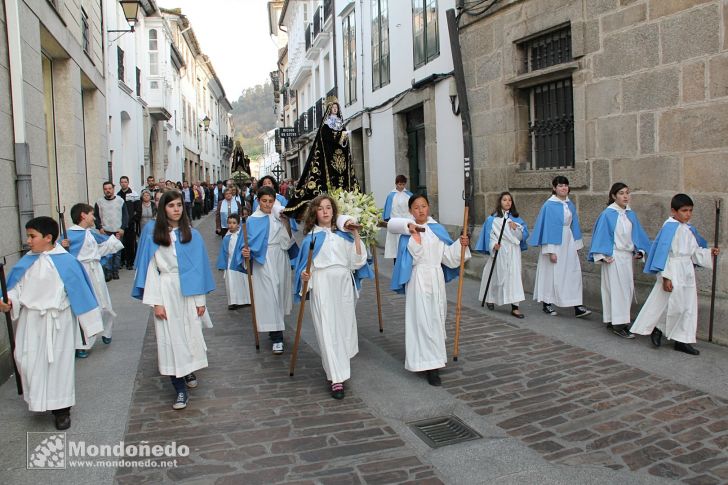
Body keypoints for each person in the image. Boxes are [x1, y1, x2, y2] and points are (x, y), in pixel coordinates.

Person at [0, 216, 102, 430]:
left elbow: (81, 294)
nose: (28, 240)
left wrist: (90, 325)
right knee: (25, 360)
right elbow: (15, 290)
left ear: (48, 238)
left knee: (58, 366)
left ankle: (62, 410)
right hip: (31, 320)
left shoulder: (67, 262)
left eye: (32, 236)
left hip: (59, 322)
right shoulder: (26, 261)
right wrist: (8, 301)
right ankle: (39, 399)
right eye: (28, 236)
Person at [132, 190, 215, 410]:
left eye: (179, 205)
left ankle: (188, 370)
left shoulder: (193, 235)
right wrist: (156, 302)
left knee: (188, 334)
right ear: (163, 209)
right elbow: (152, 270)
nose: (176, 209)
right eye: (171, 206)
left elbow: (198, 269)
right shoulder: (154, 235)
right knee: (170, 339)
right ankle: (179, 389)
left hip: (188, 293)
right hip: (165, 291)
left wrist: (200, 301)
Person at [388, 194, 470, 386]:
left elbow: (448, 258)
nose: (421, 210)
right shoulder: (408, 231)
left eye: (424, 206)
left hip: (435, 278)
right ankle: (427, 366)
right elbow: (411, 256)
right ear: (410, 211)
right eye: (416, 207)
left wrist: (460, 244)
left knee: (436, 319)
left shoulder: (436, 229)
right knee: (422, 321)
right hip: (418, 279)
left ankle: (435, 362)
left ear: (429, 207)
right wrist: (414, 236)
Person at [293, 195, 370, 399]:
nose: (325, 211)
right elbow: (303, 269)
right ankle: (336, 378)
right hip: (322, 286)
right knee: (327, 330)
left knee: (343, 329)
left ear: (334, 212)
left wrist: (355, 236)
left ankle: (341, 368)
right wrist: (304, 276)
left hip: (343, 286)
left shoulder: (343, 237)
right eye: (320, 208)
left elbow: (357, 262)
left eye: (328, 208)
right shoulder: (310, 239)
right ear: (314, 213)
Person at [630, 194, 718, 355]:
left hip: (686, 271)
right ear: (673, 211)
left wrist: (708, 252)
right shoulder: (669, 228)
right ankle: (657, 328)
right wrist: (665, 276)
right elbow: (664, 254)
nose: (688, 214)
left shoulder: (689, 228)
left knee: (687, 306)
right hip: (673, 268)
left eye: (690, 210)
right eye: (684, 210)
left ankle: (682, 340)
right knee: (672, 304)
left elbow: (694, 252)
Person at [232, 186, 294, 354]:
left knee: (279, 294)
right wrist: (245, 253)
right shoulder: (252, 220)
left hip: (280, 257)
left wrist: (286, 222)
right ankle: (277, 337)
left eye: (271, 201)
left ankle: (275, 327)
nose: (267, 204)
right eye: (264, 201)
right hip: (263, 261)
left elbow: (287, 242)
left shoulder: (279, 217)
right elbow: (243, 247)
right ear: (258, 201)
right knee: (269, 296)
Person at [588, 183, 652, 339]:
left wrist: (640, 251)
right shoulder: (607, 214)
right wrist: (602, 255)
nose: (625, 196)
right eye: (621, 193)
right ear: (613, 196)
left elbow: (638, 236)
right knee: (617, 291)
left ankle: (613, 320)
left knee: (625, 290)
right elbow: (601, 235)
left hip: (627, 257)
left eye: (627, 193)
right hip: (613, 257)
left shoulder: (630, 214)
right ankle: (619, 324)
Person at [284, 98, 361, 218]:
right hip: (329, 158)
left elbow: (344, 143)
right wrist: (337, 137)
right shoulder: (326, 125)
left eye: (336, 108)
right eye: (333, 108)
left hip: (341, 158)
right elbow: (325, 140)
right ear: (329, 110)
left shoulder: (341, 124)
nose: (335, 110)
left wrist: (344, 137)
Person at [66, 203, 124, 357]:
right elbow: (59, 253)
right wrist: (63, 245)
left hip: (95, 271)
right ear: (83, 215)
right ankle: (84, 344)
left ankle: (106, 331)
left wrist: (114, 241)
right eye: (92, 214)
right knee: (87, 307)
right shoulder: (69, 235)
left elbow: (101, 247)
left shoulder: (90, 233)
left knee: (104, 303)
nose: (94, 217)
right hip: (82, 273)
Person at [528, 176, 591, 318]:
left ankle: (577, 305)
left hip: (568, 241)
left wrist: (576, 243)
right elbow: (548, 228)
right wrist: (550, 251)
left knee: (572, 272)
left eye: (566, 185)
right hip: (554, 243)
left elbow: (574, 224)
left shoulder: (570, 204)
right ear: (554, 188)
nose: (564, 188)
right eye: (560, 186)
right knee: (552, 273)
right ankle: (547, 303)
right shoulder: (549, 205)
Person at [476, 192, 529, 318]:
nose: (507, 202)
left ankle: (515, 307)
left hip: (513, 252)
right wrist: (494, 245)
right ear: (500, 202)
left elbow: (523, 236)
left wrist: (515, 228)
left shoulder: (516, 219)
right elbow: (490, 236)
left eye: (510, 200)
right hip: (499, 251)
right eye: (505, 200)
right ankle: (490, 298)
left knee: (514, 277)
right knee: (495, 275)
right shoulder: (492, 220)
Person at [216, 213, 251, 310]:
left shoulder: (242, 236)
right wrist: (222, 265)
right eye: (229, 223)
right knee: (231, 283)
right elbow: (223, 252)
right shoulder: (226, 238)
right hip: (230, 264)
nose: (231, 225)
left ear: (238, 224)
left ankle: (246, 300)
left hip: (240, 263)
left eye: (234, 223)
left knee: (243, 282)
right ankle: (233, 302)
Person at [94, 181, 128, 281]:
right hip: (105, 231)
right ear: (103, 190)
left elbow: (125, 215)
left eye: (109, 188)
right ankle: (108, 272)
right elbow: (96, 216)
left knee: (117, 252)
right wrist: (99, 227)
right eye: (105, 189)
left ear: (113, 189)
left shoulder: (120, 201)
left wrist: (122, 228)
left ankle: (115, 271)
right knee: (107, 252)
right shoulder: (99, 202)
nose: (108, 190)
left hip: (117, 230)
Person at [383, 175, 413, 260]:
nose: (401, 186)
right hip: (395, 223)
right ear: (396, 184)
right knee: (395, 246)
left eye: (403, 184)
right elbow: (388, 209)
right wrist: (387, 220)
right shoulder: (391, 196)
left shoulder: (409, 195)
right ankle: (396, 262)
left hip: (407, 223)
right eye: (399, 184)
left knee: (407, 245)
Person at [117, 176, 139, 270]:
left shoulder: (134, 194)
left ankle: (130, 262)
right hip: (120, 224)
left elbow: (138, 209)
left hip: (130, 223)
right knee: (121, 243)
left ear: (128, 183)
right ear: (120, 183)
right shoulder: (117, 195)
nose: (123, 183)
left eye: (125, 182)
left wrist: (133, 220)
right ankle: (122, 261)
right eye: (122, 182)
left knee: (130, 243)